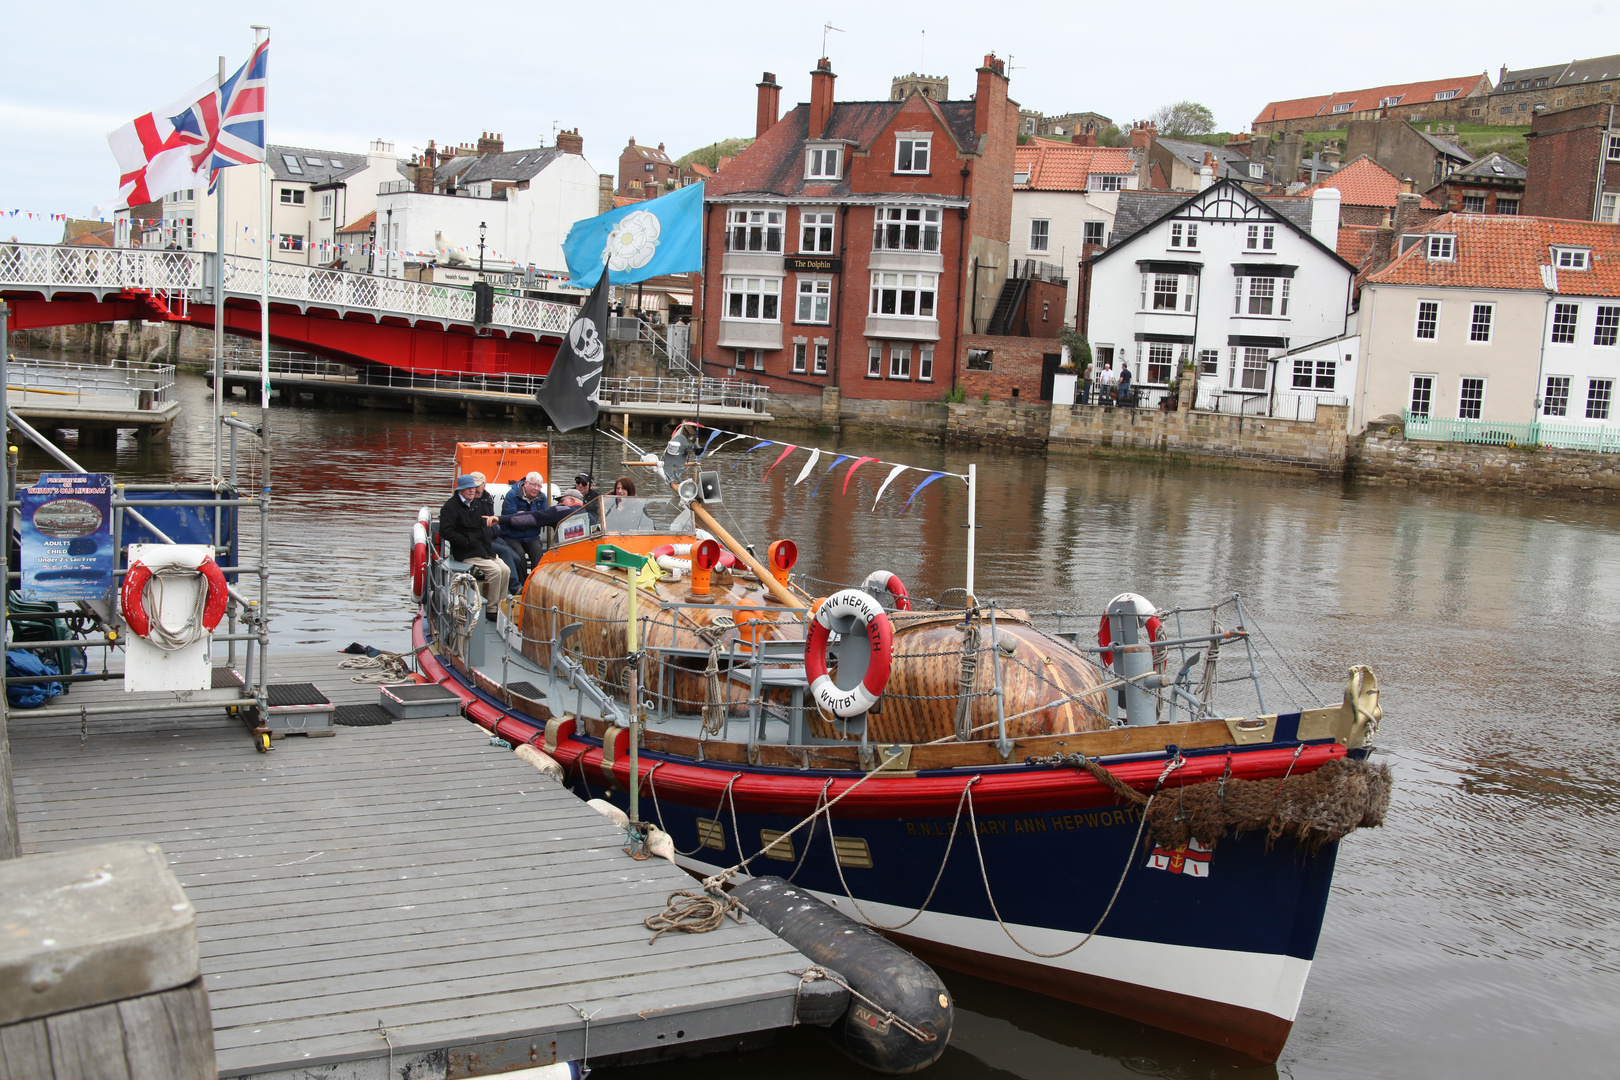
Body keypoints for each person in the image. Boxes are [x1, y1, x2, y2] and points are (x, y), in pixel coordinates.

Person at [439, 475, 510, 621]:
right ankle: (491, 609)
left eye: (473, 487)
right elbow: (446, 531)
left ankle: (500, 606)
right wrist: (466, 541)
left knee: (505, 570)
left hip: (482, 547)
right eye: (468, 488)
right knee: (495, 571)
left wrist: (486, 544)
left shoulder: (476, 504)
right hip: (466, 550)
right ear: (460, 490)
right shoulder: (450, 507)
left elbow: (482, 527)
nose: (472, 490)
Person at [499, 471, 550, 579]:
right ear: (526, 483)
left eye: (539, 486)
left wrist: (523, 517)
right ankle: (521, 585)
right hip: (511, 535)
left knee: (537, 550)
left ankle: (536, 580)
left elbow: (543, 519)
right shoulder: (512, 495)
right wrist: (532, 519)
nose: (536, 488)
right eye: (534, 485)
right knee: (519, 554)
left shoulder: (542, 497)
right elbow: (510, 519)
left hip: (532, 536)